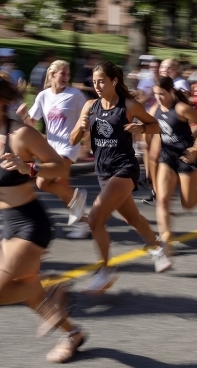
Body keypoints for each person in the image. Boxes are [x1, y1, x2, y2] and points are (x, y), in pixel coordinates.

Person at [0, 72, 86, 363]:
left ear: (0, 102)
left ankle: (52, 289)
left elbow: (58, 168)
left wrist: (29, 168)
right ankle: (72, 333)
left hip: (31, 223)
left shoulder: (20, 134)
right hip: (7, 225)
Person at [70, 61, 171, 293]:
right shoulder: (90, 106)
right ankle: (157, 247)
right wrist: (81, 127)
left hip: (125, 168)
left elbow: (156, 126)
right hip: (103, 171)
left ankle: (106, 271)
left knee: (95, 218)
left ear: (114, 81)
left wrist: (140, 129)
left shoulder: (129, 106)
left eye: (101, 81)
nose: (97, 86)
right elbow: (73, 140)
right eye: (94, 82)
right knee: (132, 218)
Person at [18, 60, 90, 238]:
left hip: (69, 146)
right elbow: (32, 123)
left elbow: (89, 115)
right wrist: (22, 116)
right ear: (52, 75)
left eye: (68, 74)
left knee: (43, 182)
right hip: (51, 148)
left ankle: (79, 204)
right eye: (63, 74)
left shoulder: (75, 95)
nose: (66, 77)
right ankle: (83, 222)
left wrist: (86, 138)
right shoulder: (43, 96)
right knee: (63, 187)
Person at [150, 76, 197, 249]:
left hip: (187, 156)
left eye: (162, 94)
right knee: (162, 199)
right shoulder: (155, 109)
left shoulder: (181, 108)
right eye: (156, 94)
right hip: (167, 156)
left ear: (171, 92)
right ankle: (165, 241)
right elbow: (147, 125)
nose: (158, 98)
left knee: (188, 204)